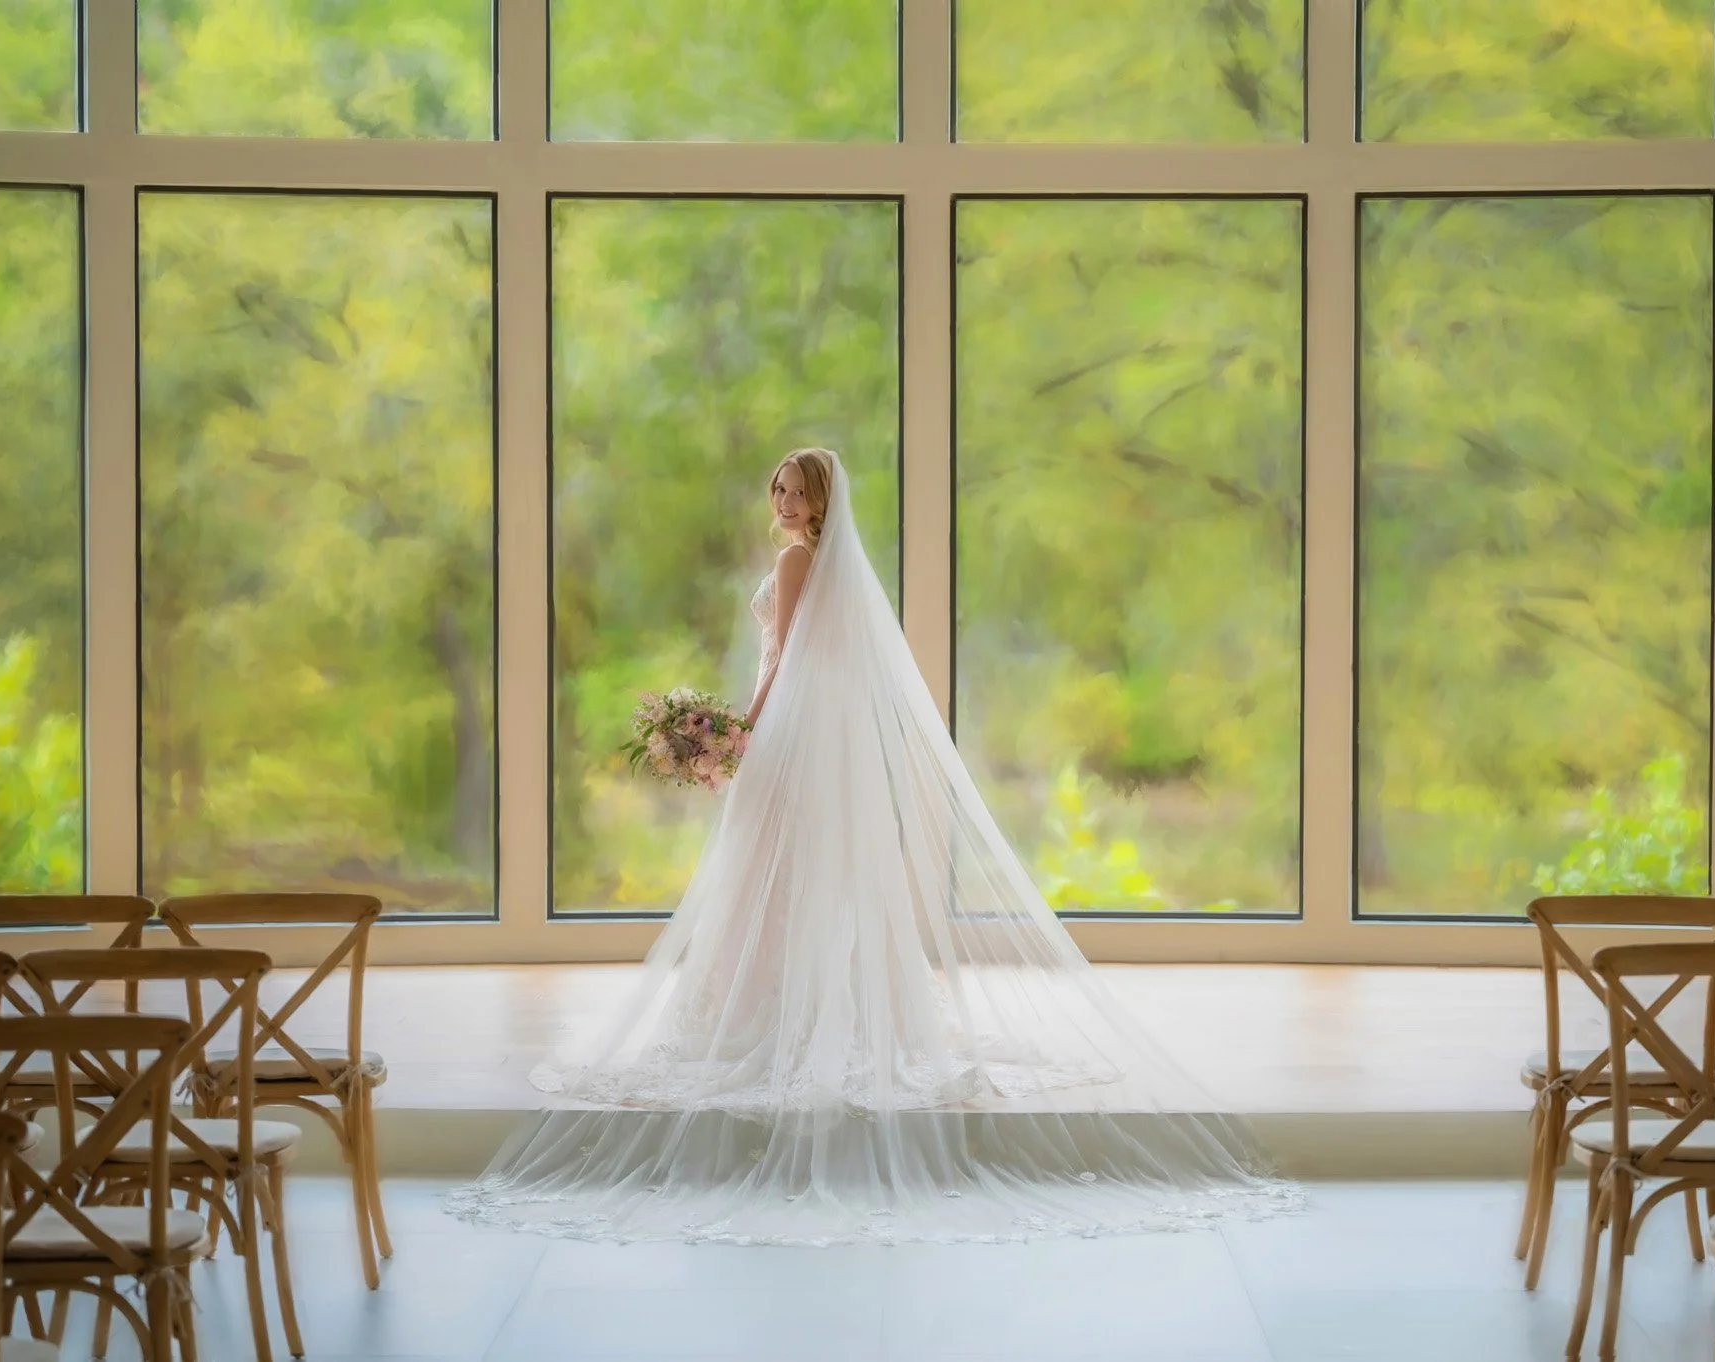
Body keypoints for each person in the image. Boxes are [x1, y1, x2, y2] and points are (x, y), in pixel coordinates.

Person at [448, 448, 1303, 1245]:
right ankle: (828, 1009)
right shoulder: (835, 568)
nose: (784, 501)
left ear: (821, 500)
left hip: (786, 735)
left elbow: (782, 661)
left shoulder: (796, 563)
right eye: (779, 489)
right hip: (816, 740)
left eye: (797, 490)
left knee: (765, 875)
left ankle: (763, 1015)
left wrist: (739, 731)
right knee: (812, 877)